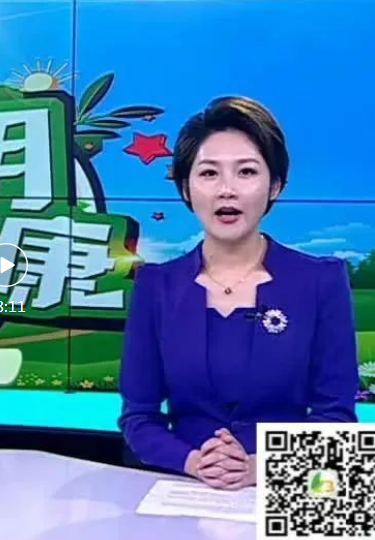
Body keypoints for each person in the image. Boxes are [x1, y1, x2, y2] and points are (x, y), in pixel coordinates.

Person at [118, 96, 359, 490]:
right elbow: (138, 417)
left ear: (275, 186)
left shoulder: (321, 281)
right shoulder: (156, 286)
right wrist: (194, 462)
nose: (226, 190)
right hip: (187, 489)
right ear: (186, 187)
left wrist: (257, 468)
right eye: (209, 173)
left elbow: (337, 417)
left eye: (246, 172)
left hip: (293, 487)